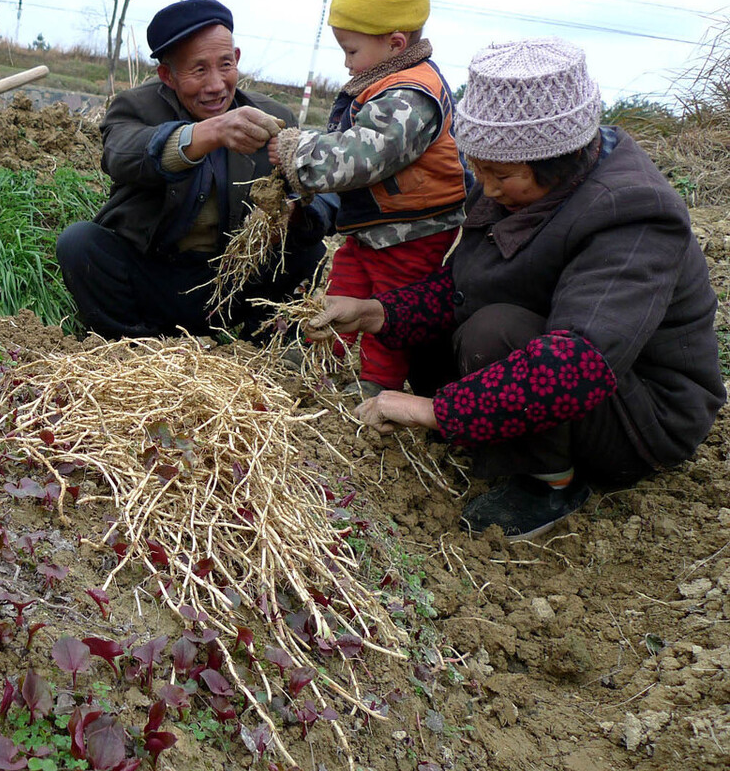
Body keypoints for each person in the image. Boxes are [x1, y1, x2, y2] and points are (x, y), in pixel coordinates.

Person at [305, 37, 725, 539]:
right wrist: (376, 313)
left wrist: (431, 410)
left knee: (495, 331)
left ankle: (549, 483)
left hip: (642, 415)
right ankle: (491, 430)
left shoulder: (633, 214)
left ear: (558, 160)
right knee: (455, 328)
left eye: (500, 175)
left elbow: (579, 363)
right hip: (552, 365)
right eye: (478, 167)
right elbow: (465, 287)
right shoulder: (514, 182)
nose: (486, 185)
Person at [55, 0, 335, 342]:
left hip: (232, 284)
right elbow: (122, 154)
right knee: (79, 244)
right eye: (199, 70)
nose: (216, 84)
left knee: (312, 249)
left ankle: (265, 344)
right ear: (167, 76)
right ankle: (133, 346)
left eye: (225, 65)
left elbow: (324, 195)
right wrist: (209, 133)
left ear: (237, 59)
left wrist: (294, 213)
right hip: (156, 279)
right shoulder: (135, 107)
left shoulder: (271, 116)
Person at [269, 0, 468, 399]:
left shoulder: (411, 96)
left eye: (351, 49)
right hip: (376, 227)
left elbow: (361, 156)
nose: (345, 62)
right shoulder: (387, 81)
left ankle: (379, 385)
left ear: (395, 43)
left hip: (414, 231)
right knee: (346, 283)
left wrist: (297, 152)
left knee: (388, 306)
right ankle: (319, 357)